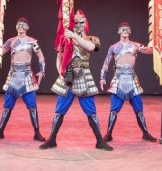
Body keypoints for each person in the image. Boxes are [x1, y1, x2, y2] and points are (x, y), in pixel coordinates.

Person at [39, 10, 113, 151]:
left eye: (82, 22)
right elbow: (60, 56)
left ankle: (99, 141)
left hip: (84, 76)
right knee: (59, 110)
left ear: (86, 23)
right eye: (76, 22)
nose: (79, 24)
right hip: (67, 75)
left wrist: (74, 36)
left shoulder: (91, 38)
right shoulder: (66, 38)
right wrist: (60, 71)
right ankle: (52, 139)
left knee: (90, 110)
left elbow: (90, 47)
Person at [0, 17, 46, 141]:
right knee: (7, 106)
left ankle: (37, 133)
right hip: (13, 76)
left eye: (23, 25)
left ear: (27, 27)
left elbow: (40, 56)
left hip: (27, 76)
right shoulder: (11, 41)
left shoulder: (32, 42)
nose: (21, 27)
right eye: (19, 25)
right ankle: (0, 131)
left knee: (32, 106)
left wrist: (42, 71)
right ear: (16, 27)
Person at [99, 22, 157, 142]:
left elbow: (149, 51)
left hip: (132, 79)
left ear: (130, 31)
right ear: (118, 31)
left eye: (127, 29)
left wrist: (159, 43)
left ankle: (145, 133)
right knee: (114, 109)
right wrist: (102, 78)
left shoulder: (136, 46)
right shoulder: (113, 47)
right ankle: (108, 134)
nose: (125, 31)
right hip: (118, 79)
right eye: (122, 29)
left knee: (139, 109)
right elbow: (106, 63)